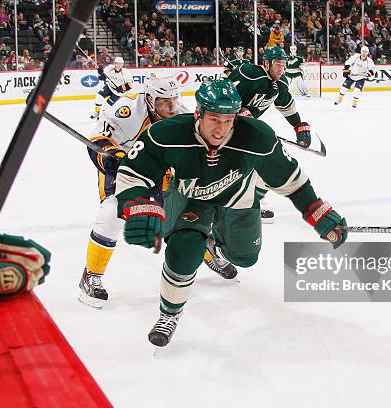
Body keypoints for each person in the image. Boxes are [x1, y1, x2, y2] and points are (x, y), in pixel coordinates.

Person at [113, 79, 347, 347]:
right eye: (214, 119)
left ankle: (217, 244)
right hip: (189, 197)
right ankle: (169, 314)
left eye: (228, 120)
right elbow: (133, 175)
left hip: (237, 197)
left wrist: (317, 212)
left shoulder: (257, 136)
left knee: (244, 258)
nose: (221, 129)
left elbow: (290, 179)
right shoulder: (165, 134)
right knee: (184, 250)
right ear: (198, 113)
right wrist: (138, 205)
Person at [79, 76, 181, 308]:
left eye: (174, 100)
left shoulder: (179, 112)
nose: (172, 107)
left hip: (155, 162)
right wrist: (110, 157)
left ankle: (204, 250)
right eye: (165, 102)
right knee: (113, 210)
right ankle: (91, 275)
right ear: (150, 100)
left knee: (181, 206)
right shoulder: (125, 111)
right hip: (123, 162)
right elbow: (97, 140)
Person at [228, 45, 313, 225]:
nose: (281, 69)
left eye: (283, 65)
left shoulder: (280, 84)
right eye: (277, 65)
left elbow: (285, 104)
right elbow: (225, 92)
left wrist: (298, 125)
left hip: (246, 130)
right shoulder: (249, 73)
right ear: (266, 63)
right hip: (225, 127)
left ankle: (252, 203)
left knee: (267, 163)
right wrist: (237, 110)